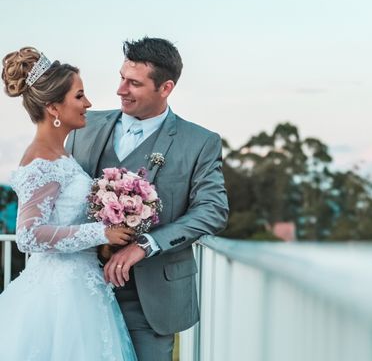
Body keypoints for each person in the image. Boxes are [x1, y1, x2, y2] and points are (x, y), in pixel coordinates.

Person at [66, 37, 229, 361]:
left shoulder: (199, 142)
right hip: (81, 288)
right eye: (122, 77)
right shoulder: (84, 126)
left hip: (153, 299)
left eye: (134, 83)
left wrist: (146, 245)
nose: (120, 89)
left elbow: (213, 210)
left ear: (165, 88)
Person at [0, 46, 137, 360]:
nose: (88, 103)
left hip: (83, 285)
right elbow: (28, 235)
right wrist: (101, 233)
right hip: (60, 299)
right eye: (79, 95)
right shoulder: (41, 160)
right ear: (53, 108)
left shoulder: (60, 154)